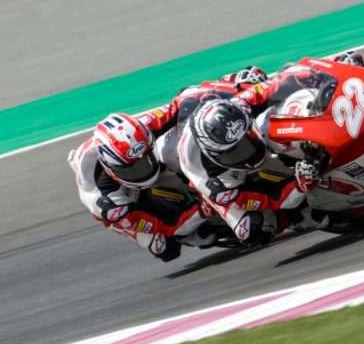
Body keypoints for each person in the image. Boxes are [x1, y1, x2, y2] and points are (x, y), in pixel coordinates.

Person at [67, 66, 268, 261]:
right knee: (161, 246)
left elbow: (187, 98)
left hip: (149, 157)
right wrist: (201, 210)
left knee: (176, 149)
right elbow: (162, 225)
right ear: (111, 168)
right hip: (124, 208)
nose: (145, 171)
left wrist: (236, 85)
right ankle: (190, 229)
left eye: (146, 160)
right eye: (134, 169)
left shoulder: (144, 128)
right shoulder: (103, 195)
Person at [174, 51, 364, 247]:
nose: (249, 152)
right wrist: (299, 185)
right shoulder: (215, 184)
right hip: (216, 180)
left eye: (247, 139)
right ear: (216, 155)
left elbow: (281, 81)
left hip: (217, 105)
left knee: (263, 89)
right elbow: (265, 199)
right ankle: (301, 218)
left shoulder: (239, 105)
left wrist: (335, 65)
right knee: (250, 231)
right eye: (236, 152)